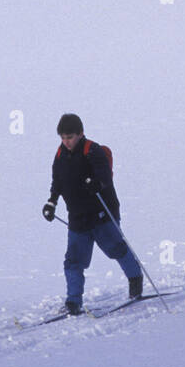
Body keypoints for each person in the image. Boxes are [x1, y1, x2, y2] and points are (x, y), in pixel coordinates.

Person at [42, 113, 143, 314]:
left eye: (69, 137)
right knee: (73, 260)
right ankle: (73, 301)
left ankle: (135, 279)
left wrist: (98, 183)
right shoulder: (60, 155)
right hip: (77, 217)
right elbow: (58, 182)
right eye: (62, 137)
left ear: (80, 134)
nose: (66, 142)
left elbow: (104, 174)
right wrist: (51, 202)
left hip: (101, 213)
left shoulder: (93, 151)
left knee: (116, 249)